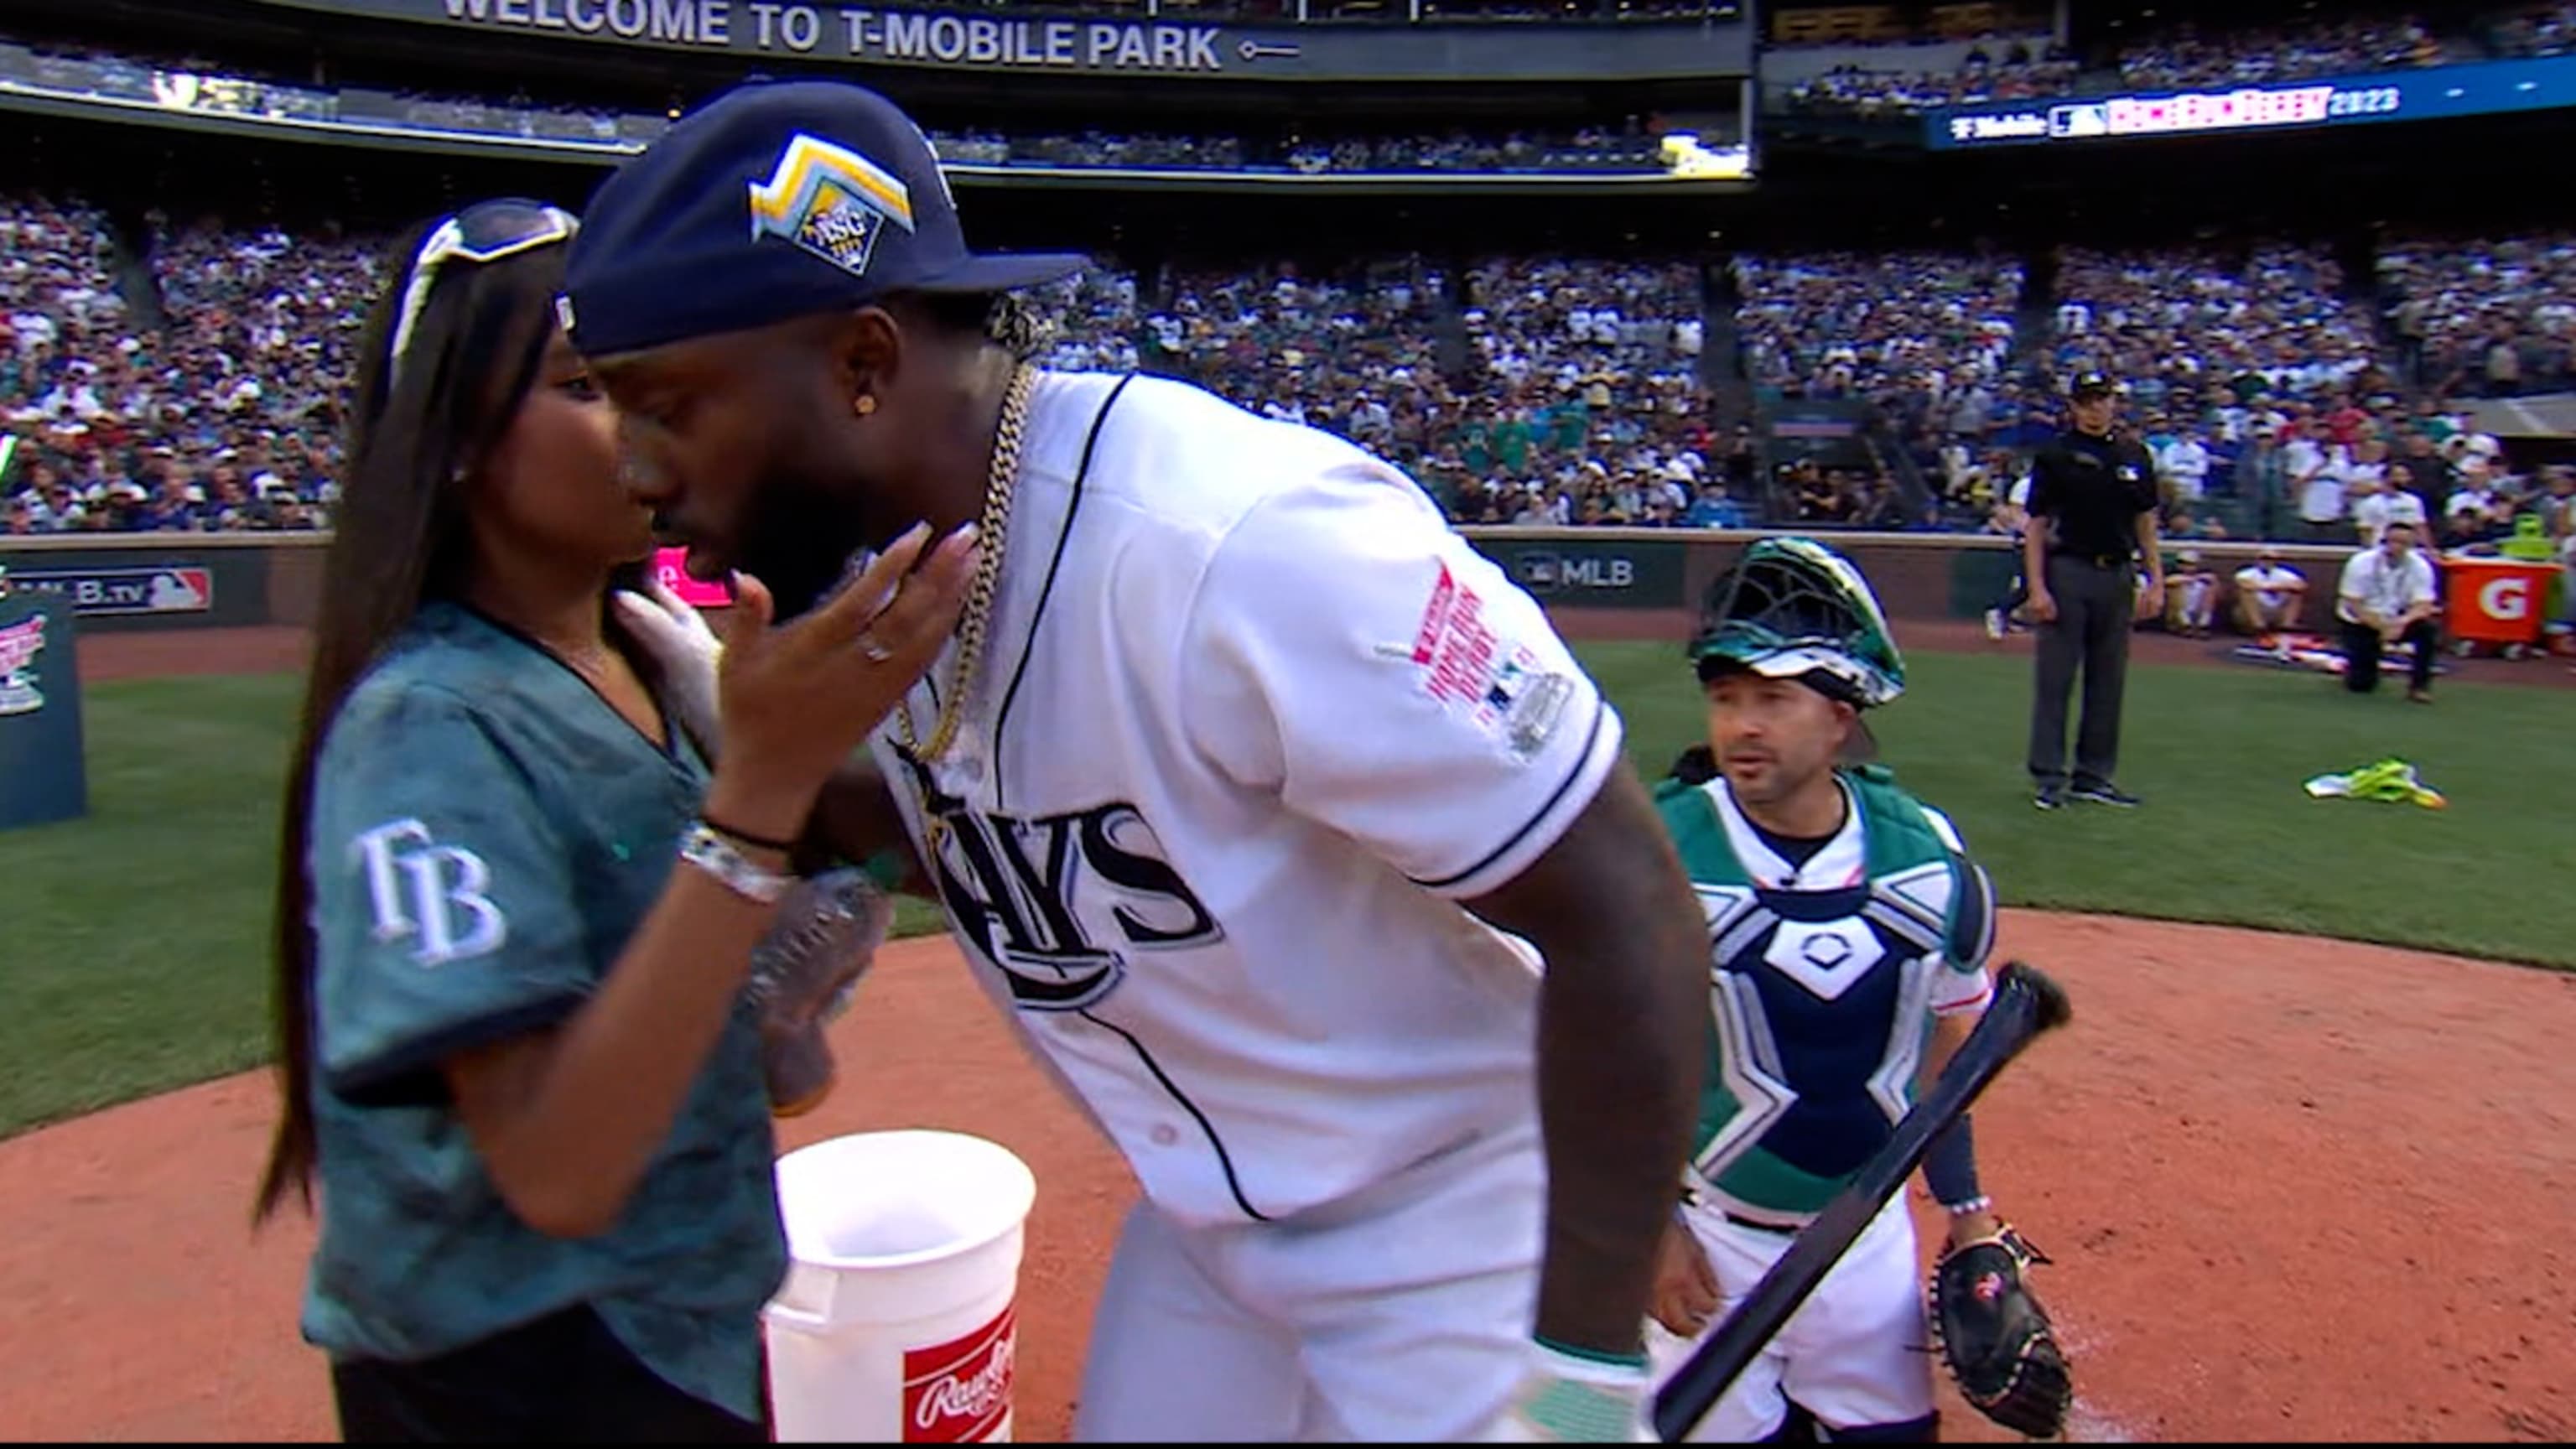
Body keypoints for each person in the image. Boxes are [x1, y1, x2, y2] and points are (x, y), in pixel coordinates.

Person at [562, 80, 1711, 1441]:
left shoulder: (1244, 545)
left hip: (1454, 1212)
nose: (633, 466)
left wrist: (1578, 1371)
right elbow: (977, 837)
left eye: (665, 406)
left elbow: (1628, 906)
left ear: (864, 365)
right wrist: (769, 763)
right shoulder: (871, 562)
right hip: (1205, 1227)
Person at [252, 198, 975, 1441]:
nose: (646, 429)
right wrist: (760, 795)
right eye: (589, 386)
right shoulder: (428, 726)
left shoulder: (651, 653)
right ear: (458, 436)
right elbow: (556, 1168)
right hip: (513, 1374)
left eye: (661, 383)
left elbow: (857, 862)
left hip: (676, 1325)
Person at [1636, 538, 2023, 1441]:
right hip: (1709, 1250)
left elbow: (1947, 1065)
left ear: (1841, 716)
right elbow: (1594, 1062)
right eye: (1725, 698)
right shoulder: (1655, 851)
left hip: (1865, 1246)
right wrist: (1650, 1229)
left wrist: (1971, 1222)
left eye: (1773, 699)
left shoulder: (1926, 861)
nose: (1742, 726)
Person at [2023, 371, 2162, 810]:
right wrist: (2037, 586)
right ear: (2074, 407)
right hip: (2070, 571)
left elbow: (2146, 522)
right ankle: (2049, 775)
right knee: (2056, 679)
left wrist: (2155, 579)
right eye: (2086, 401)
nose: (2095, 409)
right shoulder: (2056, 455)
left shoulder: (2134, 454)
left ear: (2113, 403)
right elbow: (2036, 524)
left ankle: (2094, 775)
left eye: (2101, 400)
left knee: (2108, 681)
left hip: (2117, 573)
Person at [2335, 519, 2439, 703]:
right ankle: (2359, 668)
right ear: (2384, 541)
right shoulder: (2361, 563)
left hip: (2397, 619)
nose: (2396, 547)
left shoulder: (2420, 566)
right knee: (2360, 685)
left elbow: (2423, 604)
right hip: (2361, 621)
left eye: (2403, 543)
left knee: (2428, 631)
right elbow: (2353, 603)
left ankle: (2419, 686)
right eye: (2392, 541)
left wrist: (2402, 622)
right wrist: (2381, 627)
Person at [2231, 546, 2309, 635]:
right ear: (2258, 560)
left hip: (2277, 612)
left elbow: (2300, 586)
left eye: (2271, 559)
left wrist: (2263, 586)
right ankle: (2260, 629)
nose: (2267, 561)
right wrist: (2283, 586)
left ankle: (2286, 627)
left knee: (2296, 594)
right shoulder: (2247, 573)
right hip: (2253, 614)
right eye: (2264, 558)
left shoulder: (2284, 574)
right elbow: (2245, 584)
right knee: (2246, 593)